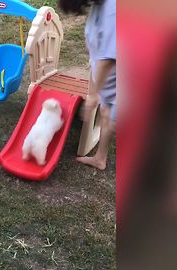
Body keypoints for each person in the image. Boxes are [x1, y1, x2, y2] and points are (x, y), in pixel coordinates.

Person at [59, 0, 116, 170]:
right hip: (107, 75)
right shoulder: (99, 6)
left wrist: (93, 95)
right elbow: (97, 57)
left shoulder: (114, 8)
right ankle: (100, 159)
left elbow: (108, 58)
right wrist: (94, 92)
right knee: (107, 112)